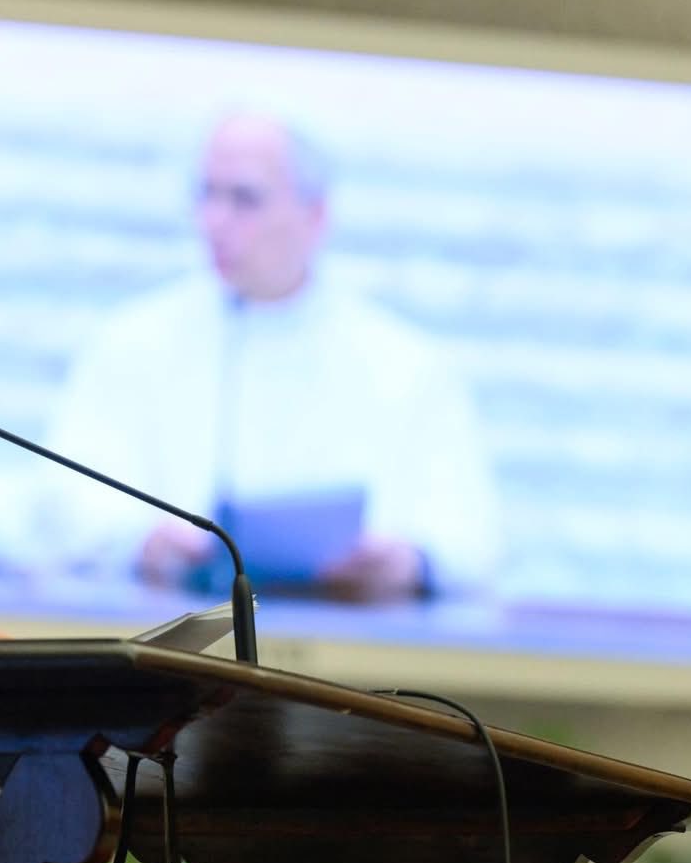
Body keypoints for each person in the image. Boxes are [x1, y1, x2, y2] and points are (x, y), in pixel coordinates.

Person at [41, 113, 500, 602]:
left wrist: (409, 563)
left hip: (344, 637)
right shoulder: (132, 342)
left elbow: (469, 542)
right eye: (207, 194)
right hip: (169, 633)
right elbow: (65, 507)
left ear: (315, 216)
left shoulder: (404, 364)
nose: (215, 221)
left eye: (244, 199)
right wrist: (143, 543)